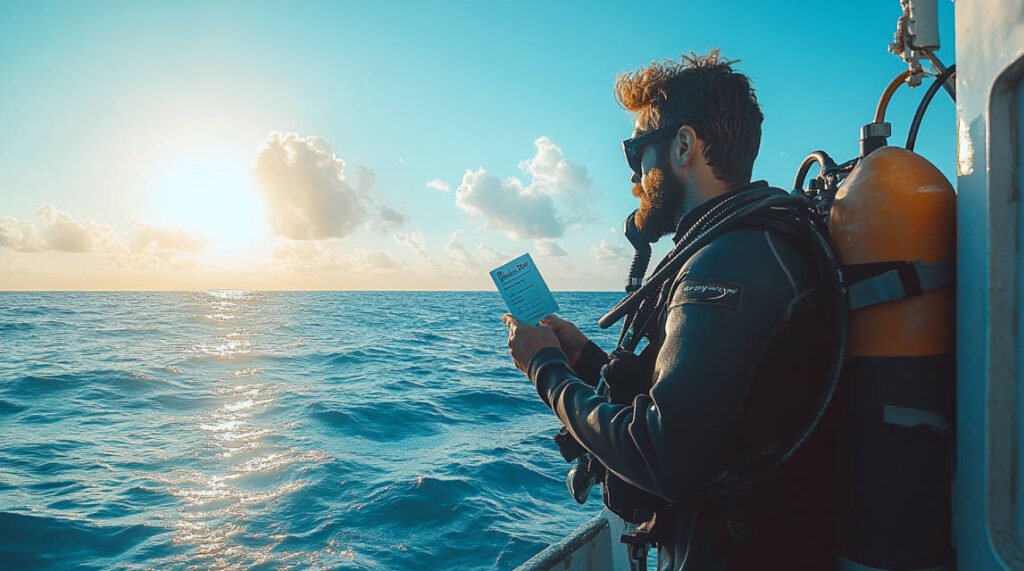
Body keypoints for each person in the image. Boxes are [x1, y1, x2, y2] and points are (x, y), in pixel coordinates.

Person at [503, 51, 836, 570]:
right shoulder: (743, 248)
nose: (636, 176)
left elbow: (662, 455)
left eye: (639, 152)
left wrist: (543, 370)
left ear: (684, 146)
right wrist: (585, 360)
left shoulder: (726, 263)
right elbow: (710, 398)